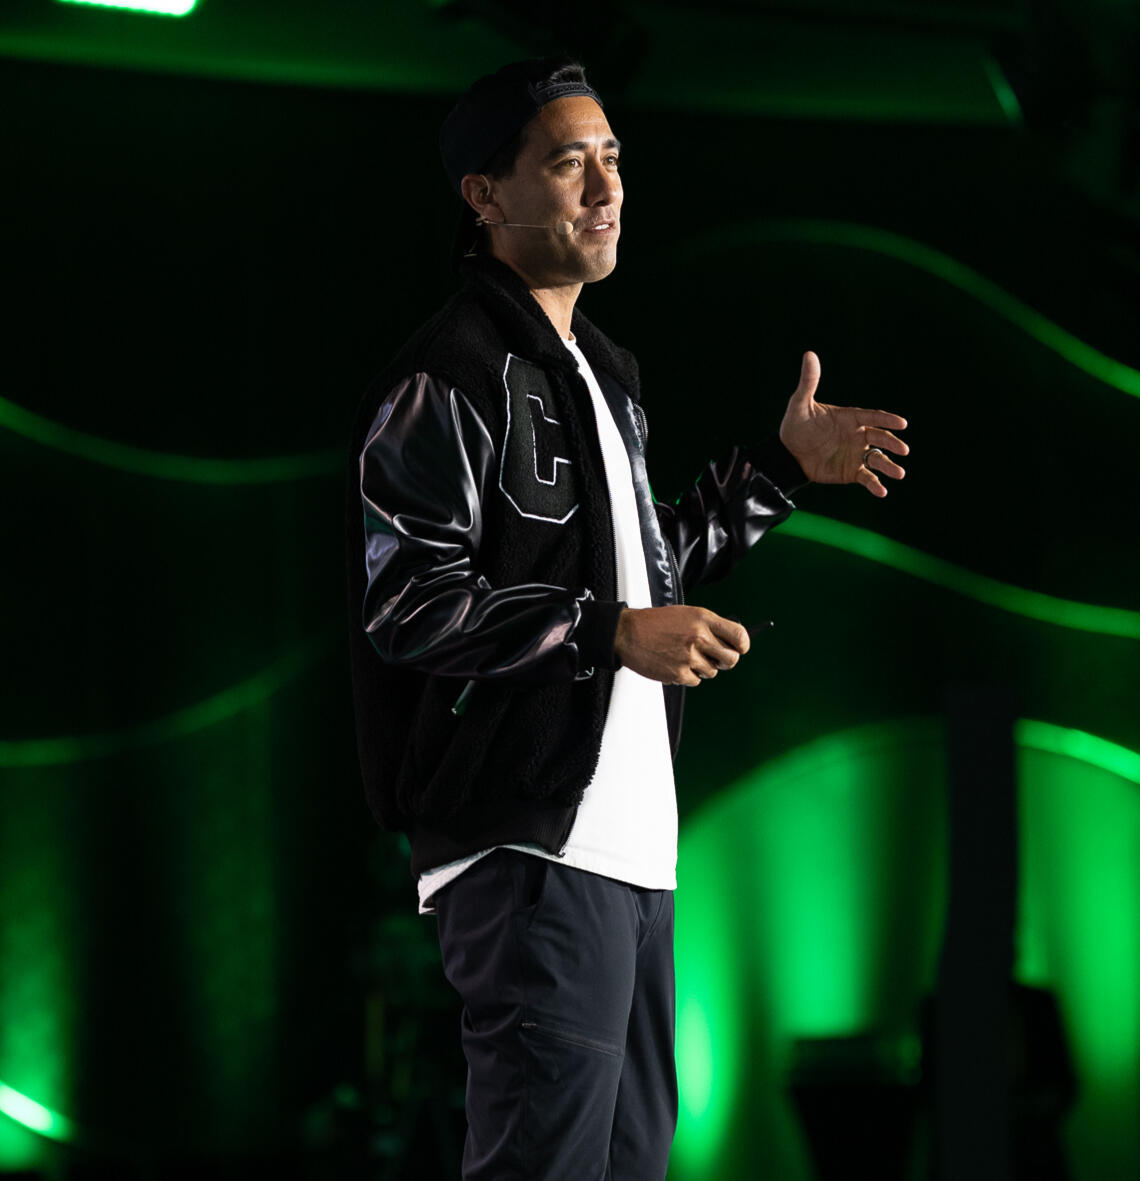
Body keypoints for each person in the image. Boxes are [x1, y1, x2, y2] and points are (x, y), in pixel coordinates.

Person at [345, 57, 909, 1179]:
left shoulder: (603, 369)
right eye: (567, 162)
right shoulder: (448, 373)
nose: (605, 188)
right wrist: (605, 631)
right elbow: (408, 602)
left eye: (612, 159)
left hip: (630, 852)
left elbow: (649, 581)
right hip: (527, 840)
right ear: (485, 196)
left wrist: (777, 472)